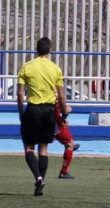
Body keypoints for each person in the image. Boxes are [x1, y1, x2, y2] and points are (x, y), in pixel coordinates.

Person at [17, 37, 69, 196]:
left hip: (32, 110)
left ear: (36, 49)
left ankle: (38, 177)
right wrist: (63, 113)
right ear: (49, 50)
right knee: (43, 149)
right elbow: (61, 97)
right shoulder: (55, 69)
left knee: (28, 148)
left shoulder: (26, 67)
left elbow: (20, 93)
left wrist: (21, 112)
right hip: (48, 111)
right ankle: (41, 180)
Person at [54, 100, 80, 179]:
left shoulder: (45, 97)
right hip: (55, 126)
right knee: (69, 145)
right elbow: (67, 108)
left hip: (50, 122)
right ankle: (63, 172)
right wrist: (65, 110)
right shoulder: (52, 99)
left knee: (66, 123)